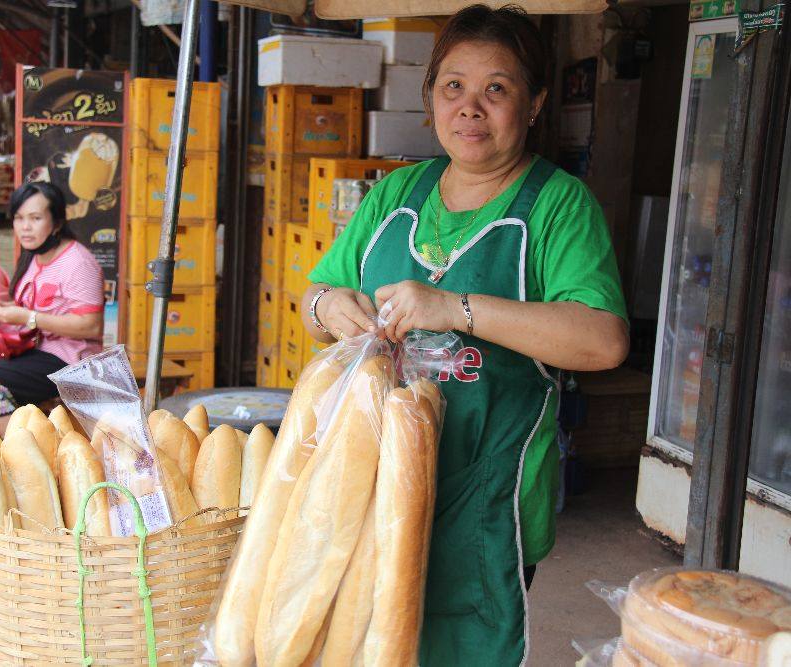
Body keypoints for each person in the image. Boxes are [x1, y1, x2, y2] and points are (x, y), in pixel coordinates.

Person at [302, 6, 629, 665]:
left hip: (485, 506)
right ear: (431, 98)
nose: (470, 107)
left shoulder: (558, 206)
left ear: (534, 104)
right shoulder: (394, 193)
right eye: (453, 86)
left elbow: (602, 340)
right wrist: (330, 305)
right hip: (368, 488)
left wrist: (455, 308)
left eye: (496, 89)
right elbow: (310, 300)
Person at [0, 181, 105, 454]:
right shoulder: (35, 257)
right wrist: (3, 309)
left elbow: (90, 325)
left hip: (68, 359)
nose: (25, 227)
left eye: (35, 218)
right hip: (31, 349)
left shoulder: (77, 262)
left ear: (57, 222)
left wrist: (27, 317)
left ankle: (31, 452)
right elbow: (30, 307)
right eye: (19, 218)